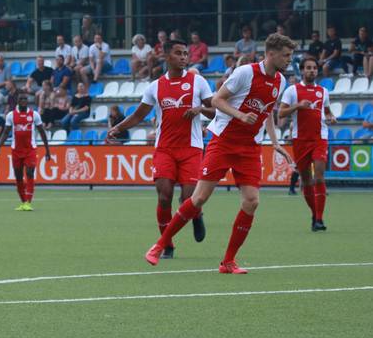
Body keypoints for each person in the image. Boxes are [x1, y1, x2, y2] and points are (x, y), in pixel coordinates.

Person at [142, 33, 295, 274]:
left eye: (291, 56)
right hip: (223, 142)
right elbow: (217, 101)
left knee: (252, 201)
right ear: (271, 53)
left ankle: (228, 262)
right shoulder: (246, 73)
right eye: (286, 55)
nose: (289, 60)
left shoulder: (281, 81)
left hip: (249, 148)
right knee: (199, 198)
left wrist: (275, 143)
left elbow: (267, 114)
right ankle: (160, 245)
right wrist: (241, 116)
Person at [108, 39, 215, 259]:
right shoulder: (155, 86)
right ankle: (168, 245)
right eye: (179, 53)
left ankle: (196, 214)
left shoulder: (199, 82)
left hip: (191, 148)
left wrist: (200, 109)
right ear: (167, 57)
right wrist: (117, 127)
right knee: (164, 197)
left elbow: (216, 111)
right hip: (165, 148)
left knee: (188, 199)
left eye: (186, 53)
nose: (184, 57)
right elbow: (139, 115)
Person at [279, 57, 337, 231]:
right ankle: (314, 214)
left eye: (314, 68)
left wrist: (330, 117)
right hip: (300, 140)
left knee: (319, 176)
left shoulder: (323, 91)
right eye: (308, 68)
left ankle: (319, 219)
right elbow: (281, 113)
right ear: (302, 70)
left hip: (320, 137)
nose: (312, 70)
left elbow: (327, 111)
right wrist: (297, 106)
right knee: (306, 180)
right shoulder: (292, 90)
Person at [0, 91, 51, 211]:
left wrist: (47, 150)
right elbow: (6, 132)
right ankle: (23, 201)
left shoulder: (34, 114)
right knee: (18, 177)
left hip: (30, 149)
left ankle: (28, 202)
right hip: (16, 150)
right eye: (21, 99)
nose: (24, 101)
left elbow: (42, 131)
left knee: (30, 173)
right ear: (17, 101)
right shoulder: (11, 115)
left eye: (26, 99)